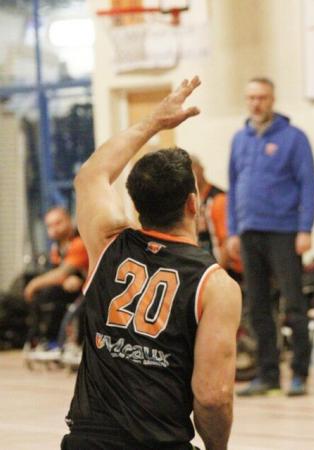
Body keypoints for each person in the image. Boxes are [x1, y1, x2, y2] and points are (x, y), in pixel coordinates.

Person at [62, 77, 241, 450]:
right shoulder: (215, 284)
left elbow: (92, 175)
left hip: (87, 441)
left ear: (137, 204)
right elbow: (211, 397)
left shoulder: (107, 243)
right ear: (194, 204)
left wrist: (154, 122)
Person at [227, 77, 314, 397]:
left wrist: (305, 228)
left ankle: (299, 374)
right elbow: (233, 185)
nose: (256, 103)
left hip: (284, 231)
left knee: (293, 304)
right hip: (249, 231)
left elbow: (309, 185)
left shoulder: (294, 138)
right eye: (251, 97)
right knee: (257, 306)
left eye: (262, 97)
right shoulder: (240, 140)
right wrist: (232, 230)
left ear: (273, 98)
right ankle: (268, 375)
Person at [24, 206, 89, 350]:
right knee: (45, 295)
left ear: (68, 221)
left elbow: (61, 273)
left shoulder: (78, 243)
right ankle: (43, 339)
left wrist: (34, 284)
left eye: (58, 223)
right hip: (72, 288)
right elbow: (60, 275)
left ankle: (63, 341)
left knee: (44, 291)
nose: (54, 228)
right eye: (49, 225)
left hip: (90, 291)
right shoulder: (57, 248)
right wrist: (66, 280)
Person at [191, 155, 243, 280]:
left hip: (226, 272)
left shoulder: (219, 199)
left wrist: (217, 274)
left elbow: (227, 240)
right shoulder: (191, 200)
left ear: (201, 169)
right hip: (204, 268)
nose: (191, 176)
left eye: (193, 169)